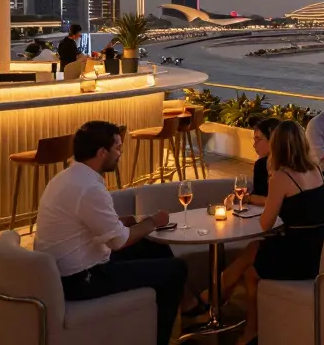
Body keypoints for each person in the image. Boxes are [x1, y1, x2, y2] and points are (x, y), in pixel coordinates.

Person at [34, 121, 196, 345]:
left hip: (64, 270)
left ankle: (190, 310)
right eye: (117, 148)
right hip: (80, 279)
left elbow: (86, 224)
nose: (120, 154)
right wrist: (153, 221)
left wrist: (123, 222)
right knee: (177, 269)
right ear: (102, 152)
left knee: (156, 248)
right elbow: (120, 241)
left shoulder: (67, 178)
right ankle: (163, 338)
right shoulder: (89, 188)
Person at [240, 120, 324, 345]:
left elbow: (265, 224)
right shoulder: (316, 169)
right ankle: (219, 295)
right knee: (254, 249)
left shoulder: (282, 177)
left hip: (299, 256)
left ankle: (251, 329)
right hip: (321, 251)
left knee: (251, 273)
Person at [209, 117, 280, 307]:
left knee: (252, 253)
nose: (254, 144)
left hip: (279, 230)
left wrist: (248, 199)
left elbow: (273, 202)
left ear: (273, 140)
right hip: (271, 227)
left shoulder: (280, 171)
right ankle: (215, 303)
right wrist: (246, 199)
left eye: (258, 139)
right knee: (251, 253)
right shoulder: (263, 166)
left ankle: (211, 299)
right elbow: (262, 198)